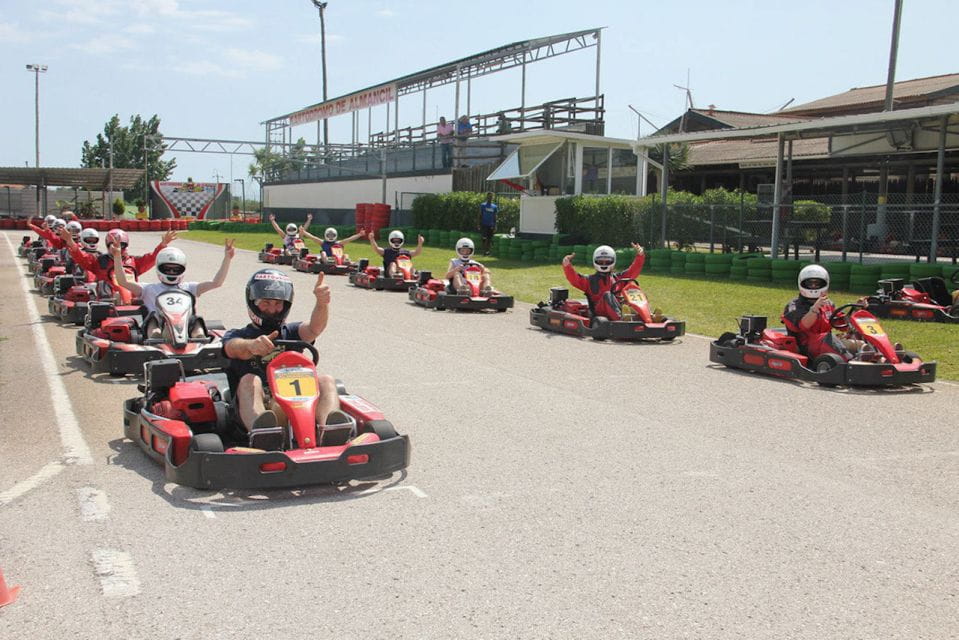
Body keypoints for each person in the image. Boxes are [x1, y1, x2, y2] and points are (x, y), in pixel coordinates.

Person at [222, 269, 352, 450]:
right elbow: (233, 347)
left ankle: (329, 431)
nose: (272, 309)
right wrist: (251, 346)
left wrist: (322, 304)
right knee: (250, 380)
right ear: (253, 303)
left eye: (277, 303)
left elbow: (315, 328)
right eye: (266, 303)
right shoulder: (239, 335)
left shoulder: (291, 332)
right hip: (260, 404)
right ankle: (264, 435)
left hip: (298, 399)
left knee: (326, 379)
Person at [111, 239, 235, 339]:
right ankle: (156, 339)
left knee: (196, 320)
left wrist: (227, 259)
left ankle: (199, 339)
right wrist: (117, 257)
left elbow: (216, 282)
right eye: (167, 269)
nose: (171, 272)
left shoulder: (189, 287)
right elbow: (123, 281)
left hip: (184, 326)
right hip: (158, 327)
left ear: (182, 269)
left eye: (175, 269)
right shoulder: (149, 289)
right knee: (153, 319)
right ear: (159, 268)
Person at [60, 227, 177, 304]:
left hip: (132, 298)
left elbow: (152, 257)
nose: (117, 247)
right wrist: (70, 242)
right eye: (113, 244)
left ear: (126, 246)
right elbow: (81, 257)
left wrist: (163, 244)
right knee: (104, 285)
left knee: (149, 290)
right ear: (107, 245)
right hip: (108, 300)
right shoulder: (100, 261)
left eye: (121, 245)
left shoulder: (134, 261)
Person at [781, 264, 868, 360]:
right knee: (828, 338)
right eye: (810, 283)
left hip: (826, 343)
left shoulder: (828, 304)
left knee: (859, 333)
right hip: (806, 347)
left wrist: (857, 309)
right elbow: (803, 325)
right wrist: (814, 309)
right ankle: (851, 362)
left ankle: (878, 357)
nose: (813, 286)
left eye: (817, 283)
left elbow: (842, 324)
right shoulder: (794, 305)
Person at [561, 243, 646, 320]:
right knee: (607, 295)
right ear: (595, 261)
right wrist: (567, 265)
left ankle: (645, 316)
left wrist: (640, 255)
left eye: (607, 261)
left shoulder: (618, 278)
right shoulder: (589, 280)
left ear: (613, 261)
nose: (604, 264)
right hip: (599, 311)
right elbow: (574, 279)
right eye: (601, 261)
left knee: (635, 291)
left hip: (617, 307)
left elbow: (634, 270)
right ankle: (622, 319)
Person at [299, 226, 366, 263]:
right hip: (326, 259)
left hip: (337, 259)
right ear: (326, 235)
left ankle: (345, 262)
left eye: (332, 235)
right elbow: (312, 237)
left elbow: (349, 239)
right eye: (329, 235)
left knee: (346, 255)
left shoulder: (339, 243)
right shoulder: (323, 243)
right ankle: (327, 263)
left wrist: (359, 234)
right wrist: (303, 232)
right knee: (323, 253)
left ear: (335, 235)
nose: (330, 237)